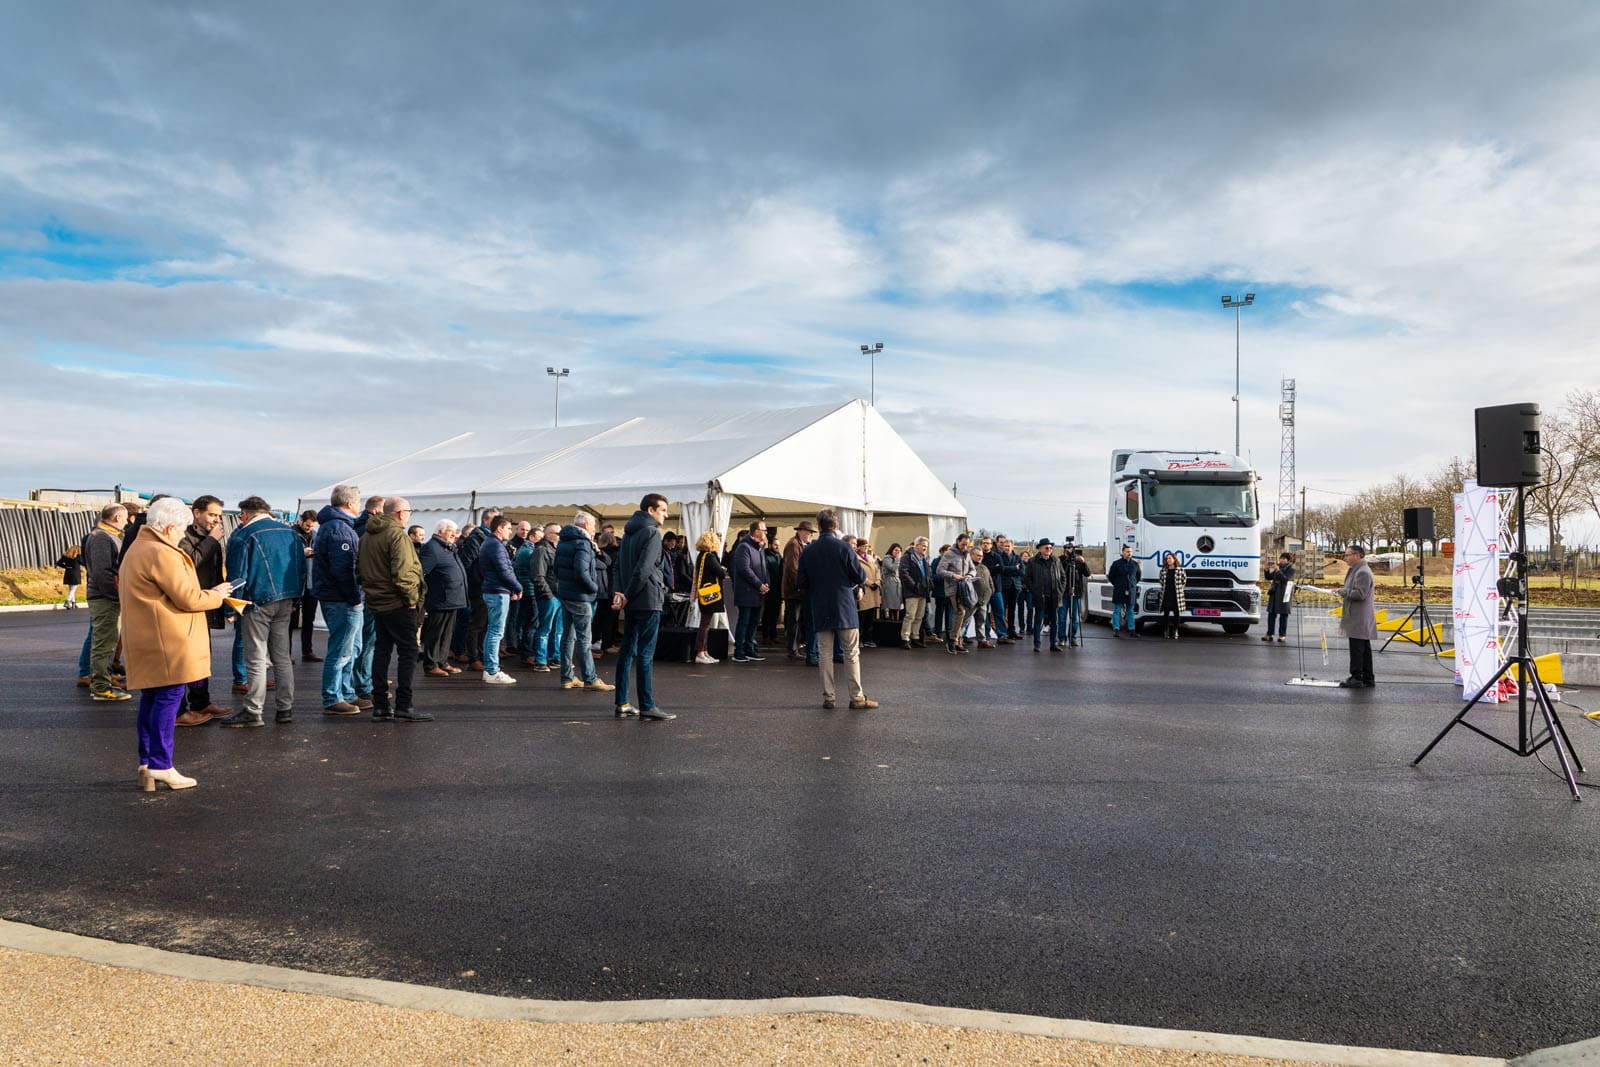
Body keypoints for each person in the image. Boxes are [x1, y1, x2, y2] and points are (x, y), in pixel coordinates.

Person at [121, 496, 231, 791]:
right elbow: (189, 598)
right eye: (181, 529)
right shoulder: (163, 553)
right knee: (168, 701)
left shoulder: (138, 547)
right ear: (170, 527)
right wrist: (217, 594)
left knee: (152, 699)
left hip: (148, 636)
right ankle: (160, 765)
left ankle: (147, 763)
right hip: (168, 638)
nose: (182, 535)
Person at [218, 497, 305, 727]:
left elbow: (237, 575)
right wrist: (297, 599)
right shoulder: (291, 533)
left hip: (257, 600)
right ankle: (285, 709)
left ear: (245, 514)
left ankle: (253, 710)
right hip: (286, 598)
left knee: (256, 657)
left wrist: (231, 607)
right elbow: (301, 568)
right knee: (282, 657)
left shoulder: (244, 535)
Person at [796, 509, 878, 711]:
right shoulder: (844, 547)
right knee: (851, 653)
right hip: (844, 606)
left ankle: (829, 697)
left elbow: (801, 582)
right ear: (836, 525)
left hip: (820, 605)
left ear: (818, 525)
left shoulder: (809, 550)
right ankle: (856, 697)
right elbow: (860, 577)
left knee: (824, 653)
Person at [358, 497, 430, 721]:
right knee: (408, 652)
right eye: (408, 511)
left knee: (382, 650)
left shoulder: (367, 536)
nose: (408, 515)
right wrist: (411, 600)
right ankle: (403, 705)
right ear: (400, 513)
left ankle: (380, 705)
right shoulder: (397, 535)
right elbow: (403, 573)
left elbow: (360, 570)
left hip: (377, 602)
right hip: (399, 602)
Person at [612, 493, 674, 721]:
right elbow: (644, 569)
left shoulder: (628, 533)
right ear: (650, 510)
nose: (666, 515)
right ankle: (647, 705)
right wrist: (626, 594)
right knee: (645, 654)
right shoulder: (652, 533)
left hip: (632, 600)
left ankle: (622, 702)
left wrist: (621, 594)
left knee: (627, 651)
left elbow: (618, 567)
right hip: (647, 600)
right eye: (663, 510)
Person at [174, 495, 232, 726]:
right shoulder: (183, 536)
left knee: (201, 657)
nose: (216, 520)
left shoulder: (209, 537)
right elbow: (189, 562)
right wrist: (211, 541)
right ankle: (179, 710)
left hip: (205, 604)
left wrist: (223, 602)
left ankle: (201, 702)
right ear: (196, 513)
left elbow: (215, 572)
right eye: (212, 514)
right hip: (187, 605)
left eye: (219, 516)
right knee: (184, 660)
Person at [311, 485, 367, 716]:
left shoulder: (337, 526)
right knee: (342, 649)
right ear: (350, 503)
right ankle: (333, 697)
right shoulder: (339, 529)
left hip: (339, 596)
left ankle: (346, 692)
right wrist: (354, 597)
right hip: (341, 598)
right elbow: (343, 569)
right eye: (358, 501)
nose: (360, 506)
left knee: (351, 648)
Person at [554, 512, 614, 692]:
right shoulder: (582, 543)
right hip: (580, 596)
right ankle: (590, 678)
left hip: (566, 593)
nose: (594, 528)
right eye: (593, 525)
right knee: (584, 639)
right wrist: (594, 587)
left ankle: (567, 677)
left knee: (568, 637)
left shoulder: (564, 541)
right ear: (586, 525)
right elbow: (581, 572)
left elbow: (556, 568)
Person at [82, 502, 130, 700]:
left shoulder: (106, 535)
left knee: (107, 642)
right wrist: (116, 596)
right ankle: (101, 687)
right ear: (117, 517)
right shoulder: (101, 537)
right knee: (104, 644)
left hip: (108, 597)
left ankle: (104, 681)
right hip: (105, 599)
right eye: (125, 518)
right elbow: (102, 573)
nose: (127, 522)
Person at [418, 520, 467, 677]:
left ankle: (442, 661)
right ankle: (431, 664)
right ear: (440, 531)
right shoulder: (432, 548)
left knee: (446, 633)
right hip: (439, 598)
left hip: (451, 598)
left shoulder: (448, 547)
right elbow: (420, 573)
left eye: (455, 531)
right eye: (450, 531)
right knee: (435, 632)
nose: (454, 534)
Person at [478, 515, 521, 685]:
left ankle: (490, 669)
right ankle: (492, 670)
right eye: (508, 528)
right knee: (496, 631)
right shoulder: (495, 545)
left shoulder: (492, 544)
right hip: (497, 591)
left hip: (496, 590)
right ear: (499, 528)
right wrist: (517, 586)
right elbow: (504, 570)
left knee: (493, 630)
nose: (510, 531)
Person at [1337, 544, 1377, 688]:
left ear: (1357, 555)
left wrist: (1342, 591)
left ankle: (1357, 678)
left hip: (1359, 616)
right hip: (1358, 615)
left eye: (1347, 555)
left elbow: (1360, 594)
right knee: (1363, 649)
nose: (1345, 558)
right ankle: (1367, 678)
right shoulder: (1357, 570)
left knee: (1357, 649)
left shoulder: (1362, 572)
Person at [731, 519, 770, 663]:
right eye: (764, 530)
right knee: (744, 621)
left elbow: (764, 568)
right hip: (747, 592)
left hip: (758, 593)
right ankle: (739, 651)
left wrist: (766, 582)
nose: (766, 532)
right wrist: (759, 584)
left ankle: (749, 649)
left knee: (754, 622)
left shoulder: (760, 548)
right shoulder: (744, 547)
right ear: (756, 531)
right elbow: (744, 569)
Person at [781, 521, 819, 664]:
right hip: (794, 591)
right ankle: (793, 650)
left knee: (797, 621)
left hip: (798, 590)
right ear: (801, 531)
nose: (810, 535)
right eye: (809, 532)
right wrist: (801, 585)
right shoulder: (794, 545)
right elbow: (792, 569)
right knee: (794, 621)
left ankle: (796, 648)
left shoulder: (800, 544)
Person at [529, 522, 564, 673]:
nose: (560, 536)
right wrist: (548, 594)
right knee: (544, 629)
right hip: (549, 596)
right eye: (557, 533)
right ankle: (540, 660)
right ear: (548, 534)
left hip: (559, 595)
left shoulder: (556, 549)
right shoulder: (542, 550)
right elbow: (537, 575)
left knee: (557, 630)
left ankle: (555, 657)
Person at [289, 510, 321, 663]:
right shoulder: (290, 534)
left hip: (311, 583)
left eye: (312, 526)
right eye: (307, 525)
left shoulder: (315, 535)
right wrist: (301, 553)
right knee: (290, 621)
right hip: (295, 583)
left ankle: (307, 651)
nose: (309, 528)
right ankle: (286, 654)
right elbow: (284, 556)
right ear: (301, 520)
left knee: (309, 620)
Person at [691, 530, 727, 665]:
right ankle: (701, 652)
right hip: (710, 594)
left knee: (705, 623)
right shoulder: (710, 557)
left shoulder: (700, 556)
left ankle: (704, 651)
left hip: (704, 593)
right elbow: (720, 573)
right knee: (705, 624)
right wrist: (722, 569)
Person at [937, 535, 977, 654]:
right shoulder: (949, 554)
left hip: (965, 588)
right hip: (953, 588)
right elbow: (939, 571)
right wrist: (953, 575)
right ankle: (952, 640)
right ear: (957, 541)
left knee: (964, 613)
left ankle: (957, 640)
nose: (965, 546)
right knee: (960, 612)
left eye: (967, 545)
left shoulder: (967, 554)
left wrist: (969, 575)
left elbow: (973, 569)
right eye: (963, 544)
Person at [1025, 539, 1065, 652]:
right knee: (1038, 621)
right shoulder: (1033, 561)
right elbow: (1027, 579)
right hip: (1040, 596)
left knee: (1054, 622)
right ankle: (1037, 644)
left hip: (1054, 596)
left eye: (1050, 548)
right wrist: (1035, 591)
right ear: (1040, 549)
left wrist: (1060, 591)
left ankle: (1053, 644)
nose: (1049, 549)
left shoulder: (1056, 560)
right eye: (1046, 548)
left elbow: (1063, 577)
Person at [897, 537, 932, 649]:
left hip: (923, 591)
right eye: (923, 546)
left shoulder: (924, 558)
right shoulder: (907, 557)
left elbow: (928, 573)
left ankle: (915, 637)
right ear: (916, 545)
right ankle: (905, 638)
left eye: (926, 546)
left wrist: (930, 585)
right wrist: (914, 585)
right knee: (910, 615)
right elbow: (903, 573)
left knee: (919, 616)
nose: (925, 548)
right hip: (912, 591)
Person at [593, 530, 620, 654]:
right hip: (613, 588)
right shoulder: (617, 554)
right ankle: (607, 644)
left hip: (601, 588)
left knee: (599, 617)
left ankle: (596, 641)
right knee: (611, 619)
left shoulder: (597, 553)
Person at [994, 536, 1025, 640]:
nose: (1007, 548)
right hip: (1004, 586)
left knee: (1012, 610)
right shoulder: (999, 557)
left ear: (1012, 546)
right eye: (1005, 546)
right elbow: (1001, 569)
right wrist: (1014, 568)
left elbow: (1022, 571)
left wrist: (1010, 570)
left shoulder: (1017, 557)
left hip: (1015, 586)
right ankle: (1003, 631)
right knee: (1002, 610)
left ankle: (1012, 631)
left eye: (1008, 546)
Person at [1108, 544, 1141, 638]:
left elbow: (1138, 577)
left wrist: (1131, 585)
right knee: (1117, 610)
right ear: (1123, 552)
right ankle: (1116, 629)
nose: (1129, 553)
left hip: (1131, 590)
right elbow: (1111, 576)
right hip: (1119, 590)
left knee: (1130, 610)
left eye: (1130, 552)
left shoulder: (1135, 564)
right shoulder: (1116, 564)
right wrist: (1118, 584)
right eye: (1127, 552)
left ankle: (1132, 630)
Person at [968, 546, 997, 648]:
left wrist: (991, 591)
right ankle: (958, 640)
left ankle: (982, 641)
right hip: (971, 601)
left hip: (983, 601)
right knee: (964, 622)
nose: (980, 557)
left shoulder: (984, 567)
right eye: (978, 555)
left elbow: (990, 581)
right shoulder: (967, 567)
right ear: (971, 555)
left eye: (981, 556)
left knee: (981, 622)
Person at [1264, 552, 1296, 643]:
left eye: (1284, 558)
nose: (1282, 560)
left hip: (1284, 593)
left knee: (1283, 615)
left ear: (1288, 560)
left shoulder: (1291, 569)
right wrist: (1266, 570)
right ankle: (1269, 634)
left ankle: (1282, 635)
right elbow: (1269, 577)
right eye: (1281, 558)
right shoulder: (1277, 567)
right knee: (1271, 613)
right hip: (1275, 592)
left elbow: (1286, 580)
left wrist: (1278, 571)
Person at [1062, 546, 1089, 649]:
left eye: (1071, 549)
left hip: (1076, 592)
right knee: (1062, 617)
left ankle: (1072, 638)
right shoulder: (1061, 560)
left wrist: (1083, 562)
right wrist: (1067, 560)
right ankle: (1061, 638)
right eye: (1067, 549)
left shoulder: (1077, 562)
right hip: (1064, 593)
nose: (1069, 551)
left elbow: (1087, 573)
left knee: (1075, 618)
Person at [1157, 551, 1187, 639]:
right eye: (1167, 559)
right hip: (1166, 594)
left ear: (1174, 559)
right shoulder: (1163, 570)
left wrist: (1178, 589)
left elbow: (1184, 581)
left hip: (1177, 595)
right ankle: (1166, 630)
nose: (1168, 560)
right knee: (1166, 614)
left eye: (1170, 558)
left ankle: (1175, 631)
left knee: (1176, 614)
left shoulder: (1180, 570)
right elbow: (1161, 581)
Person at [879, 543, 903, 621]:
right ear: (891, 550)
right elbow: (893, 569)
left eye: (899, 551)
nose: (897, 552)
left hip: (897, 584)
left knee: (897, 606)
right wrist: (898, 559)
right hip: (890, 583)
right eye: (896, 550)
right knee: (891, 605)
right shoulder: (887, 559)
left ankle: (896, 622)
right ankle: (891, 622)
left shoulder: (898, 560)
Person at [56, 545, 82, 609]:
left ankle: (73, 603)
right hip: (75, 574)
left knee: (71, 589)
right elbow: (83, 563)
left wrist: (66, 567)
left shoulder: (66, 556)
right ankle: (67, 602)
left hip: (68, 573)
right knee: (73, 589)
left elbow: (58, 563)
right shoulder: (78, 556)